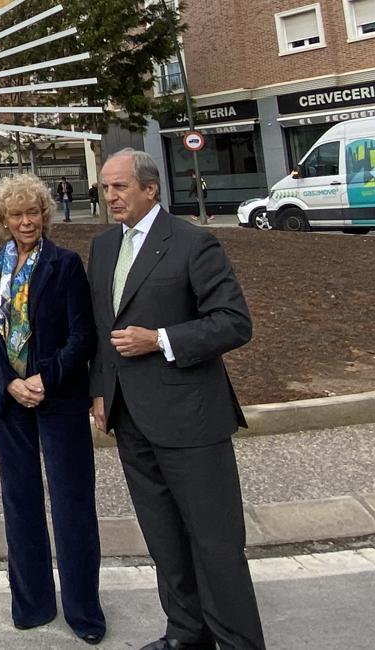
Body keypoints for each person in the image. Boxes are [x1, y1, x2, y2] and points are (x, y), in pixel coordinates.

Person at [89, 149, 264, 650]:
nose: (111, 196)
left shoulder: (193, 243)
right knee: (164, 540)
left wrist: (161, 339)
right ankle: (186, 633)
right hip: (130, 419)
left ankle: (237, 642)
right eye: (105, 188)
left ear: (151, 189)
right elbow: (104, 328)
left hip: (191, 421)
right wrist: (100, 391)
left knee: (215, 544)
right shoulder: (103, 248)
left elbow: (234, 322)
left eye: (120, 186)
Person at [0, 174, 105, 644]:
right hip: (9, 404)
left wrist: (44, 379)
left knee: (72, 505)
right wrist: (9, 383)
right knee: (20, 503)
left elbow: (82, 335)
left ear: (44, 215)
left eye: (33, 213)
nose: (25, 221)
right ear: (3, 220)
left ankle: (83, 610)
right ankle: (32, 603)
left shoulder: (65, 264)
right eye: (16, 214)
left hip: (59, 398)